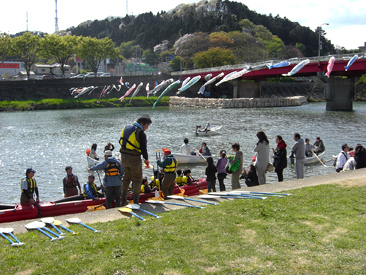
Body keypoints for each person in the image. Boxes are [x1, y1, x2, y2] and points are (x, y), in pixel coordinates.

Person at [119, 115, 152, 206]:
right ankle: (136, 202)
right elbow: (143, 148)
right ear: (142, 123)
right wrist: (146, 160)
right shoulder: (140, 133)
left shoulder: (126, 127)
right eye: (147, 125)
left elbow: (120, 141)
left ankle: (123, 201)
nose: (147, 128)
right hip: (134, 158)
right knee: (137, 180)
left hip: (123, 157)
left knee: (126, 178)